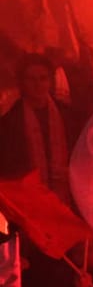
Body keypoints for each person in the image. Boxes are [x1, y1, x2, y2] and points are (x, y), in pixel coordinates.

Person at [0, 53, 80, 202]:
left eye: (43, 78)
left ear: (50, 81)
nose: (38, 84)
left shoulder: (68, 116)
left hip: (66, 198)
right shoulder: (9, 122)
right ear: (22, 83)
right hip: (26, 200)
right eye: (31, 79)